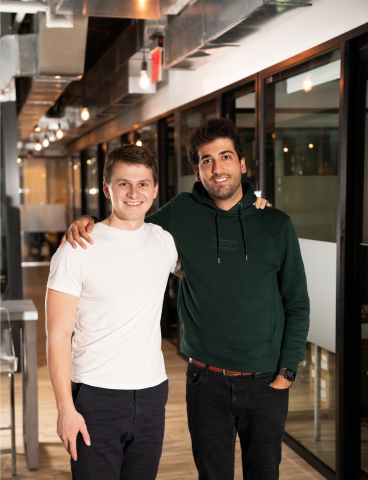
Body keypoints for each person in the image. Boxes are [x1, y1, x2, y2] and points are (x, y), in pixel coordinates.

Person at [62, 118, 309, 480]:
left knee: (264, 472)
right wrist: (87, 222)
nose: (217, 167)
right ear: (197, 171)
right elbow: (130, 226)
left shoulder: (275, 223)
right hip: (204, 381)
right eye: (206, 160)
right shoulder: (180, 212)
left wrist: (287, 371)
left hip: (266, 380)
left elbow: (297, 304)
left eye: (225, 156)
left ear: (242, 164)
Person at [45, 145, 181, 480]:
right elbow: (57, 335)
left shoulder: (164, 242)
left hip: (152, 393)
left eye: (143, 184)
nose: (134, 193)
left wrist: (255, 206)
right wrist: (66, 409)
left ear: (154, 190)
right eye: (124, 184)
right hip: (96, 396)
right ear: (107, 189)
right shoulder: (76, 248)